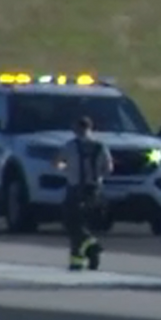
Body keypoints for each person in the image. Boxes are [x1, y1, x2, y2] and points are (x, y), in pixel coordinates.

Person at [56, 116, 113, 271]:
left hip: (75, 188)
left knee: (72, 223)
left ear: (76, 129)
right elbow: (109, 169)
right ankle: (79, 259)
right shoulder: (100, 147)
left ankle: (91, 245)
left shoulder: (70, 146)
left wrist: (65, 169)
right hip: (94, 190)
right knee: (82, 223)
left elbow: (58, 163)